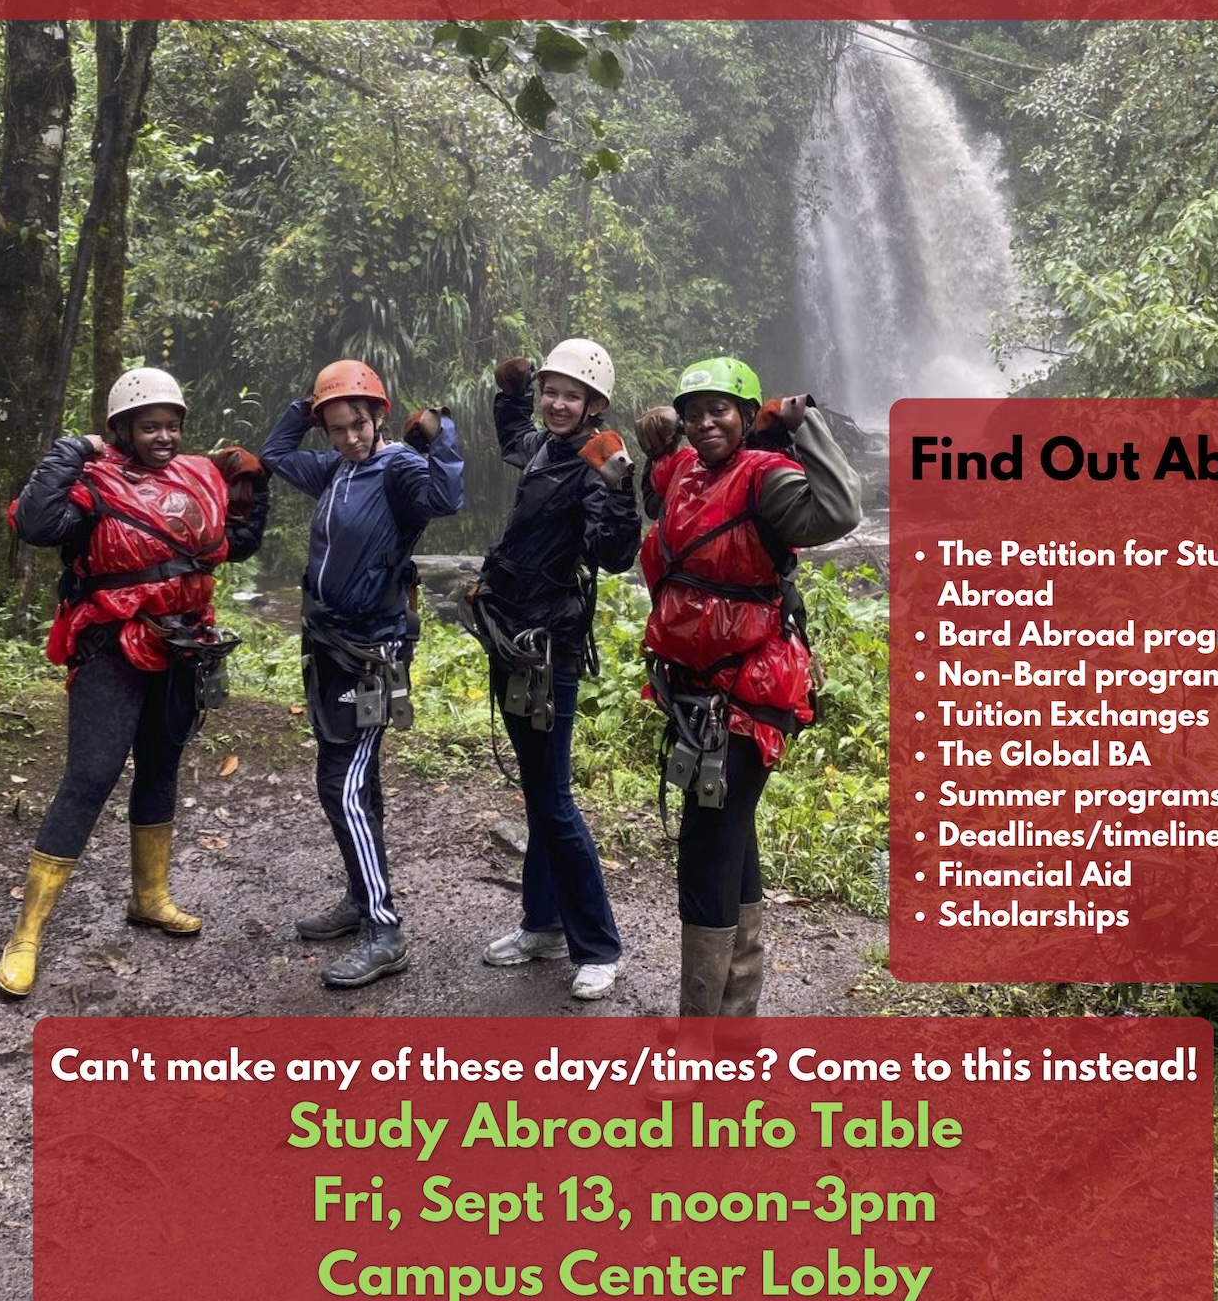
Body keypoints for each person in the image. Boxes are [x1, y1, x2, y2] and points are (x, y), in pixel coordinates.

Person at [0, 368, 269, 997]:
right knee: (90, 778)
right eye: (151, 426)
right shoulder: (93, 482)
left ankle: (151, 897)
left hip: (181, 643)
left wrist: (257, 483)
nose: (165, 436)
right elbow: (36, 524)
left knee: (160, 766)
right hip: (111, 646)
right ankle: (27, 934)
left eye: (172, 425)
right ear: (123, 429)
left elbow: (231, 544)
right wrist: (72, 450)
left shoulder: (195, 478)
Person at [636, 358, 861, 1019]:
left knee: (706, 853)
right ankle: (734, 1025)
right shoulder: (683, 471)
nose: (707, 421)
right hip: (693, 688)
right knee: (731, 837)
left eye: (722, 410)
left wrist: (806, 423)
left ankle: (699, 1039)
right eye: (695, 410)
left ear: (745, 415)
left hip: (749, 691)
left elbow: (840, 510)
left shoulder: (766, 479)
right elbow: (657, 493)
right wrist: (656, 440)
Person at [261, 359, 464, 989]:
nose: (348, 437)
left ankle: (384, 927)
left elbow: (448, 497)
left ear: (378, 417)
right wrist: (308, 404)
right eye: (336, 427)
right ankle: (359, 895)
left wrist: (441, 437)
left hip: (374, 652)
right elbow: (272, 454)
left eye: (357, 423)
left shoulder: (397, 466)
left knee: (342, 784)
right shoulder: (334, 469)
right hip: (327, 645)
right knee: (352, 778)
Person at [465, 339, 639, 1002]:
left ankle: (598, 945)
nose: (558, 403)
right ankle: (541, 924)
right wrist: (508, 392)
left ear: (595, 405)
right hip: (510, 633)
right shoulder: (543, 447)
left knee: (554, 798)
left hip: (547, 647)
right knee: (539, 791)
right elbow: (514, 434)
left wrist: (620, 484)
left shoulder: (594, 463)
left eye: (573, 395)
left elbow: (615, 553)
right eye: (550, 391)